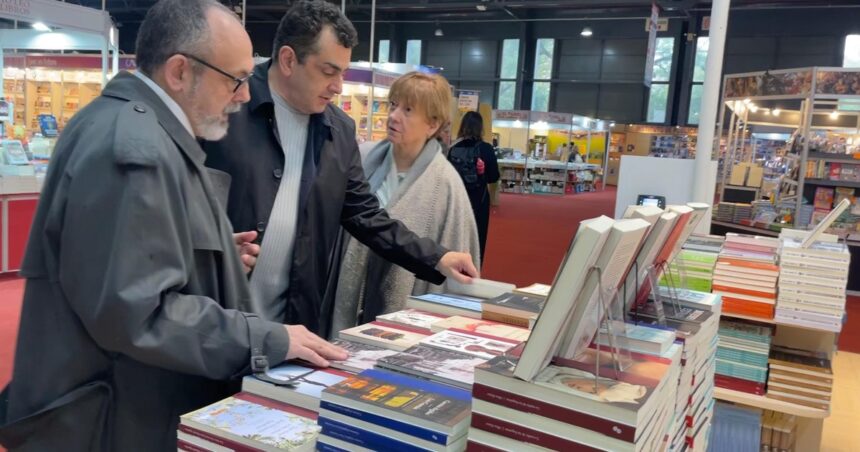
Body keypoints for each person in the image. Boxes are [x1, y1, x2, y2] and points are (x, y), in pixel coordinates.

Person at [0, 1, 345, 450]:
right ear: (181, 72)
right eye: (235, 80)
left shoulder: (142, 128)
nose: (243, 96)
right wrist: (267, 337)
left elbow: (127, 265)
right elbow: (139, 313)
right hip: (111, 422)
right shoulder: (133, 148)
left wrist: (213, 260)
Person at [203, 0, 477, 339]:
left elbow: (365, 215)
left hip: (292, 330)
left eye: (343, 73)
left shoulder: (338, 130)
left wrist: (436, 257)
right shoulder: (225, 107)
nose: (338, 86)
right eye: (329, 71)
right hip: (212, 323)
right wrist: (203, 247)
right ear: (289, 60)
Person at [331, 72, 480, 334]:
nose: (394, 116)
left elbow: (454, 267)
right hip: (351, 300)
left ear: (432, 125)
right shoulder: (364, 161)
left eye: (408, 110)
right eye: (393, 105)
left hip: (404, 319)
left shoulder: (445, 185)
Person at [447, 111, 500, 264]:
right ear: (480, 128)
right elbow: (494, 177)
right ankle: (474, 269)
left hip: (458, 201)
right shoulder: (486, 149)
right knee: (478, 238)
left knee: (457, 236)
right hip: (479, 200)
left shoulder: (453, 148)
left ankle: (454, 268)